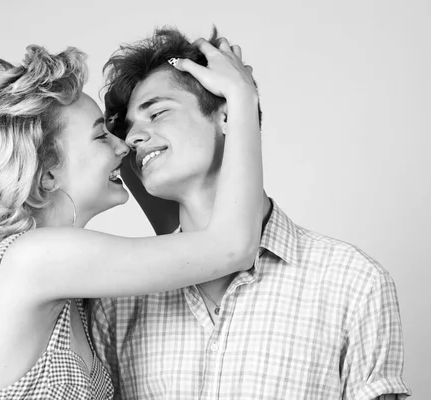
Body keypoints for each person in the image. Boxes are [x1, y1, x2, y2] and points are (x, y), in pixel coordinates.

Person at [90, 27, 411, 400]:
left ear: (228, 114)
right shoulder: (119, 303)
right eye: (128, 129)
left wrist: (243, 95)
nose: (132, 139)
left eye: (157, 113)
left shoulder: (354, 284)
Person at [0, 42, 263, 399]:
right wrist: (239, 101)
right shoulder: (42, 258)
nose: (125, 146)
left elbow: (176, 242)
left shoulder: (20, 275)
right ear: (48, 176)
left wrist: (158, 161)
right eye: (101, 135)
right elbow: (232, 248)